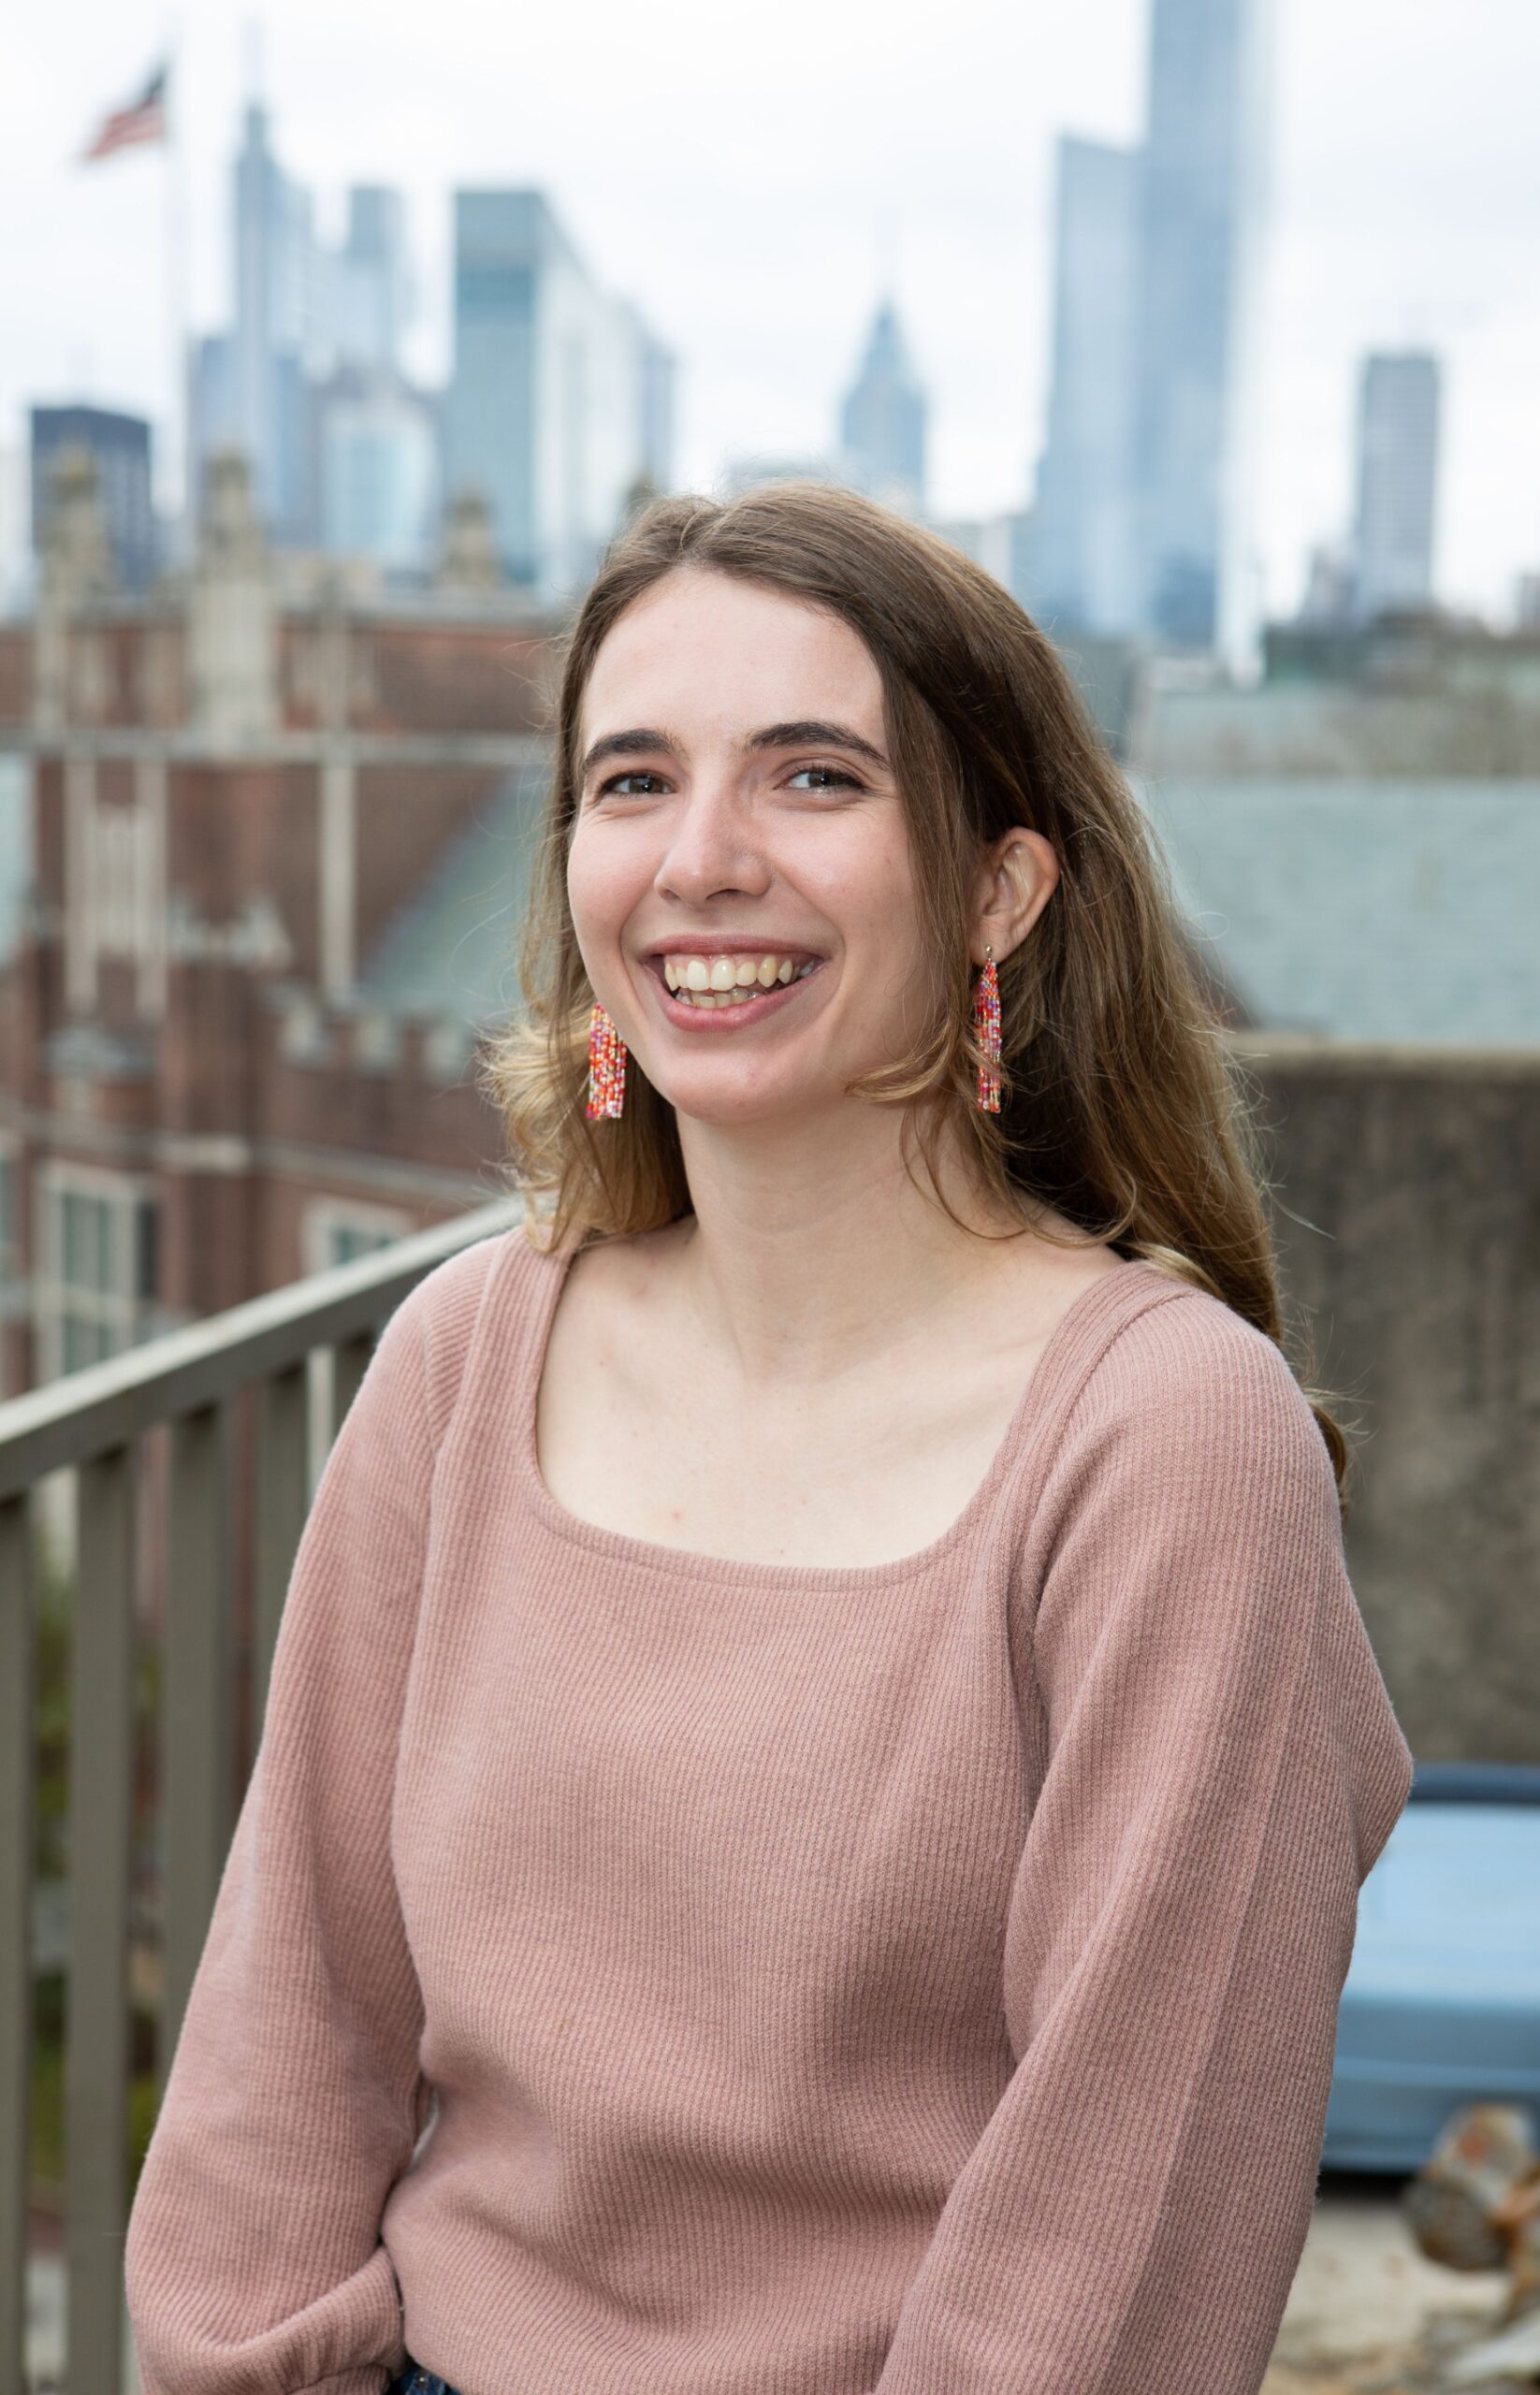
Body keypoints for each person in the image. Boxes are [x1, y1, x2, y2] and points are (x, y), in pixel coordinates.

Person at [124, 483, 1414, 2395]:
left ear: (997, 886)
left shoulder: (1159, 1441)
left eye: (811, 777)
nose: (699, 859)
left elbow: (1116, 2231)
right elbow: (287, 2026)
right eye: (630, 783)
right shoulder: (466, 1353)